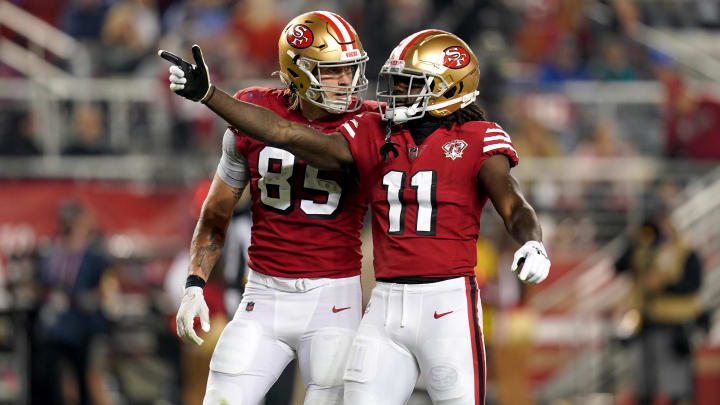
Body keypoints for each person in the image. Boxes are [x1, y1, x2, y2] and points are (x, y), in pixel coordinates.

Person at [161, 29, 551, 405]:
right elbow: (285, 136)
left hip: (415, 301)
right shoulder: (368, 129)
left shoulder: (455, 133)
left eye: (409, 84)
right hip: (345, 301)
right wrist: (210, 96)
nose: (393, 93)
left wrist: (532, 240)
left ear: (447, 87)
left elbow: (513, 201)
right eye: (396, 82)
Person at [160, 11, 375, 405]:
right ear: (297, 71)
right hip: (263, 295)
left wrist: (211, 96)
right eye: (332, 72)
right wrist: (194, 286)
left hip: (334, 300)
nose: (347, 82)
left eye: (350, 69)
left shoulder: (367, 122)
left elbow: (283, 132)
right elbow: (216, 213)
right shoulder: (252, 109)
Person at [615, 212, 704, 405]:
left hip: (674, 325)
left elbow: (694, 284)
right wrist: (634, 241)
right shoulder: (645, 249)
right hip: (644, 323)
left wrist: (664, 285)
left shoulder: (685, 251)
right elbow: (619, 266)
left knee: (675, 384)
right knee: (642, 384)